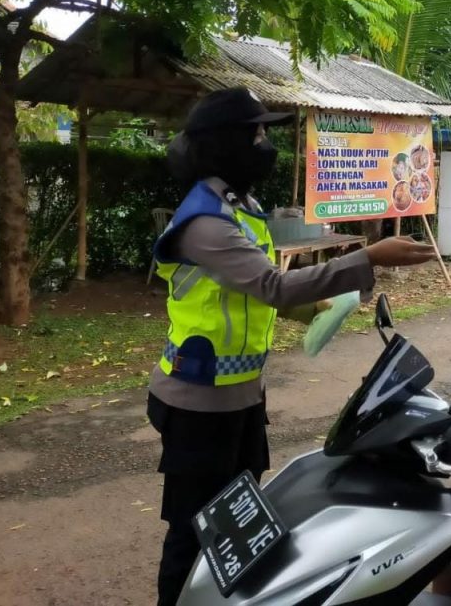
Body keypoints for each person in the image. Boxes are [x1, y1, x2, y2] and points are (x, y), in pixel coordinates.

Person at [147, 87, 435, 605]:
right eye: (255, 133)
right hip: (196, 403)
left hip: (239, 396)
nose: (264, 142)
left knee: (238, 523)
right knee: (194, 533)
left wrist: (315, 309)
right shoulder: (204, 223)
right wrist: (370, 255)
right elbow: (272, 284)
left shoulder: (239, 208)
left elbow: (255, 294)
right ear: (224, 143)